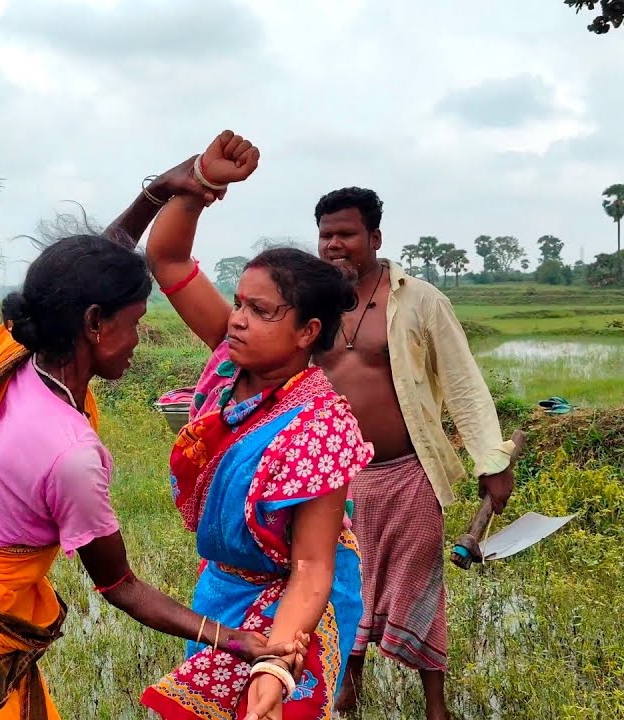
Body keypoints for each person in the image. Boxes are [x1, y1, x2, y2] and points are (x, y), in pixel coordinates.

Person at [0, 156, 305, 720]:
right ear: (96, 323)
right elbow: (121, 585)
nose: (138, 339)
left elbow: (77, 274)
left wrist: (158, 194)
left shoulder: (15, 352)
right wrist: (239, 640)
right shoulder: (71, 455)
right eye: (134, 322)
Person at [141, 131, 374, 720]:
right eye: (239, 303)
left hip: (297, 603)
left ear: (307, 332)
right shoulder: (227, 360)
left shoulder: (319, 426)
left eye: (261, 312)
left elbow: (314, 565)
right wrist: (203, 180)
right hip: (221, 588)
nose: (239, 320)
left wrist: (276, 660)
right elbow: (166, 258)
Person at [309, 187, 518, 719]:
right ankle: (345, 690)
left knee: (422, 585)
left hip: (408, 473)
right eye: (326, 234)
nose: (334, 245)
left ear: (374, 238)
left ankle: (435, 706)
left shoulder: (420, 299)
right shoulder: (310, 303)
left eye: (346, 234)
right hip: (336, 479)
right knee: (342, 585)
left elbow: (464, 385)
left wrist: (492, 462)